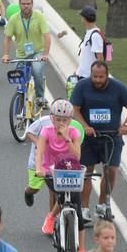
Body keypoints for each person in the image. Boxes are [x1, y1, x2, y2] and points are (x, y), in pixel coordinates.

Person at [71, 61, 127, 225]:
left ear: (107, 75)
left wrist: (126, 125)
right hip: (89, 138)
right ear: (91, 74)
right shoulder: (82, 86)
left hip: (111, 137)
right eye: (94, 76)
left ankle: (102, 204)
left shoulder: (119, 88)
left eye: (101, 77)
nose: (98, 80)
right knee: (86, 172)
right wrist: (85, 126)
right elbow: (75, 108)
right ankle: (84, 208)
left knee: (110, 171)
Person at [34, 100, 84, 243]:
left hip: (70, 170)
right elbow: (40, 151)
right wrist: (39, 168)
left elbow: (77, 156)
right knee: (61, 193)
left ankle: (80, 244)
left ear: (70, 120)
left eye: (64, 120)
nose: (60, 122)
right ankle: (51, 217)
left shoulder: (74, 133)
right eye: (57, 119)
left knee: (76, 202)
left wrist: (67, 138)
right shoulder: (46, 132)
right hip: (51, 171)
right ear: (52, 118)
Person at [2, 0, 50, 104]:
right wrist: (5, 54)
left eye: (28, 4)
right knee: (19, 77)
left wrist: (45, 54)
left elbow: (47, 36)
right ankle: (20, 98)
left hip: (38, 52)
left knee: (37, 71)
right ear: (19, 5)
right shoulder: (14, 19)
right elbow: (7, 38)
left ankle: (39, 97)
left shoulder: (39, 17)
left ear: (32, 5)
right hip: (21, 55)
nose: (26, 6)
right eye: (23, 4)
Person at [22, 115, 56, 226]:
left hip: (55, 163)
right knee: (35, 188)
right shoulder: (43, 122)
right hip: (38, 162)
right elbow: (29, 132)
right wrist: (39, 143)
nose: (61, 120)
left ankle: (52, 220)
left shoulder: (69, 123)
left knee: (54, 191)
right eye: (57, 116)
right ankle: (28, 192)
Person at [75, 6, 105, 80]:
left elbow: (100, 58)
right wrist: (78, 71)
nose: (81, 19)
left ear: (84, 19)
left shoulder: (95, 36)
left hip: (88, 77)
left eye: (81, 17)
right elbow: (86, 56)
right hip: (83, 74)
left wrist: (95, 77)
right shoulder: (89, 32)